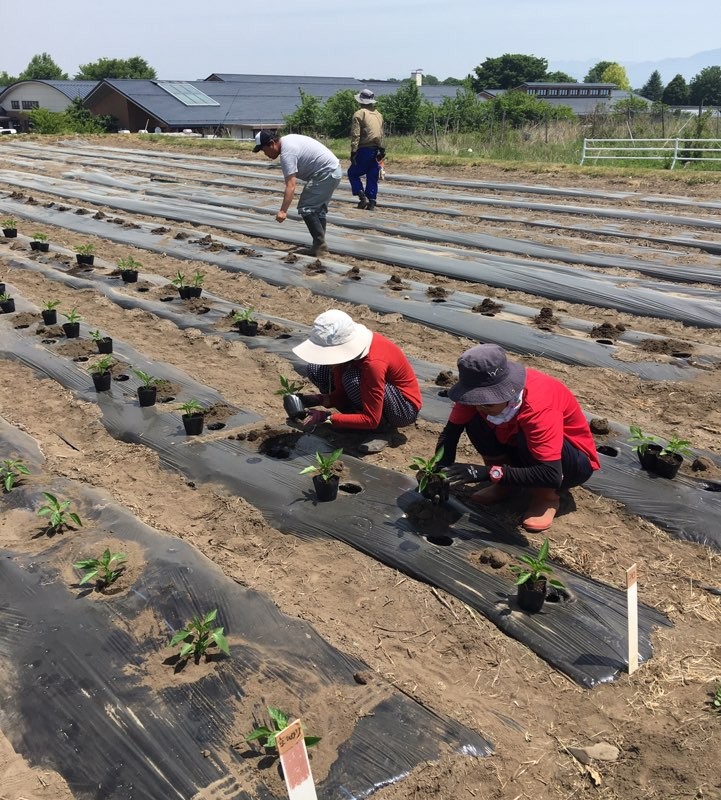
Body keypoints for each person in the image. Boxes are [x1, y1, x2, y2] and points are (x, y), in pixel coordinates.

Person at [436, 344, 600, 532]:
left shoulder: (538, 406)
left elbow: (551, 474)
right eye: (476, 400)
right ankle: (506, 486)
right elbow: (450, 434)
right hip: (521, 449)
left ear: (506, 390)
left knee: (525, 434)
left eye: (487, 402)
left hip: (567, 464)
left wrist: (485, 473)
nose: (480, 406)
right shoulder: (476, 394)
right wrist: (439, 473)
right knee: (474, 420)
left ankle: (546, 498)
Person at [291, 309, 421, 453]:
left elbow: (371, 418)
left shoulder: (373, 363)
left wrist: (326, 417)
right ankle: (354, 418)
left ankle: (383, 430)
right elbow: (341, 394)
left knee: (352, 380)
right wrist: (317, 399)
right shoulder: (347, 357)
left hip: (402, 409)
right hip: (367, 390)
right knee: (316, 369)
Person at [253, 130, 342, 256]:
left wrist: (283, 211)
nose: (265, 154)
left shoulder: (287, 153)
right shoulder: (288, 141)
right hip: (333, 170)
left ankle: (320, 245)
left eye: (264, 150)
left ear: (272, 143)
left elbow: (291, 186)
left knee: (307, 208)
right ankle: (319, 245)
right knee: (317, 210)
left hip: (326, 172)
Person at [347, 89, 385, 211]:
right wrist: (382, 150)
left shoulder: (359, 114)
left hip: (364, 149)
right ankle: (372, 199)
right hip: (377, 149)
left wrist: (353, 151)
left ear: (361, 101)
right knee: (372, 174)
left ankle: (361, 195)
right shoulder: (379, 114)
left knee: (352, 172)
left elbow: (356, 134)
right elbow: (381, 133)